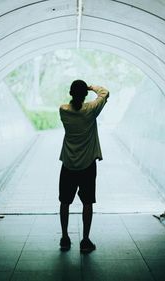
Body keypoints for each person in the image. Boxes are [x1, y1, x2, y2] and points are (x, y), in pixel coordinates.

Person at [58, 79, 109, 253]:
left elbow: (73, 104)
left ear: (70, 93)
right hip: (87, 165)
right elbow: (105, 93)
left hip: (68, 165)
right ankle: (85, 240)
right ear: (85, 94)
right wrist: (92, 86)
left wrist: (82, 91)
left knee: (65, 202)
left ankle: (65, 238)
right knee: (87, 202)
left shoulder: (63, 110)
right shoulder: (91, 110)